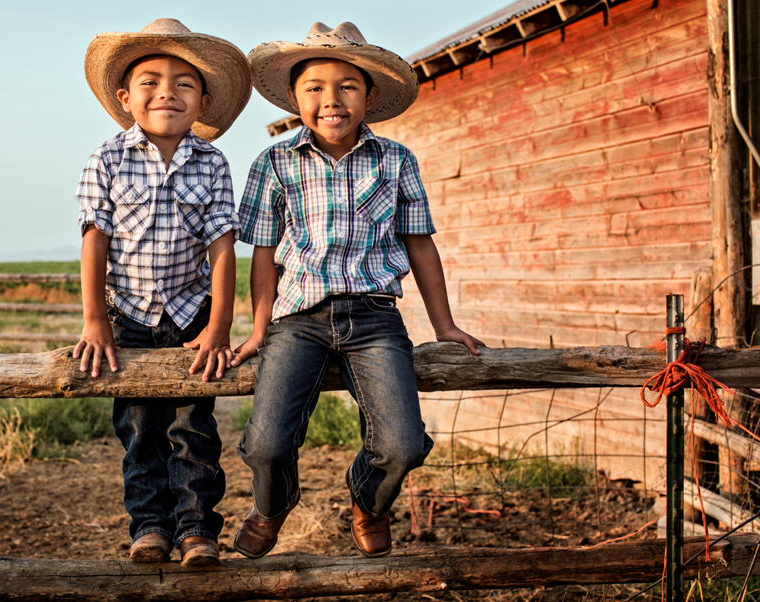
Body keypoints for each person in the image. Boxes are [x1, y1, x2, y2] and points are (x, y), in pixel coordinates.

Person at [229, 22, 485, 559]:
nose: (331, 100)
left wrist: (444, 326)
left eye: (347, 86)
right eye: (315, 88)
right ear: (295, 97)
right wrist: (257, 328)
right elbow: (262, 256)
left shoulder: (396, 160)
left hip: (374, 318)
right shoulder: (274, 162)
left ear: (369, 95)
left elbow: (420, 247)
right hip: (297, 319)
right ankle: (272, 506)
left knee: (402, 445)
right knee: (267, 444)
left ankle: (369, 501)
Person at [73, 18, 251, 567]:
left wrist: (218, 325)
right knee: (139, 428)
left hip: (192, 314)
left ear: (203, 101)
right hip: (126, 315)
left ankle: (197, 529)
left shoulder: (214, 163)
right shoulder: (107, 158)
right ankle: (150, 526)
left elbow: (223, 247)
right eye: (150, 81)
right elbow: (94, 240)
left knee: (192, 427)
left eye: (183, 83)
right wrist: (95, 319)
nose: (166, 92)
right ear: (125, 98)